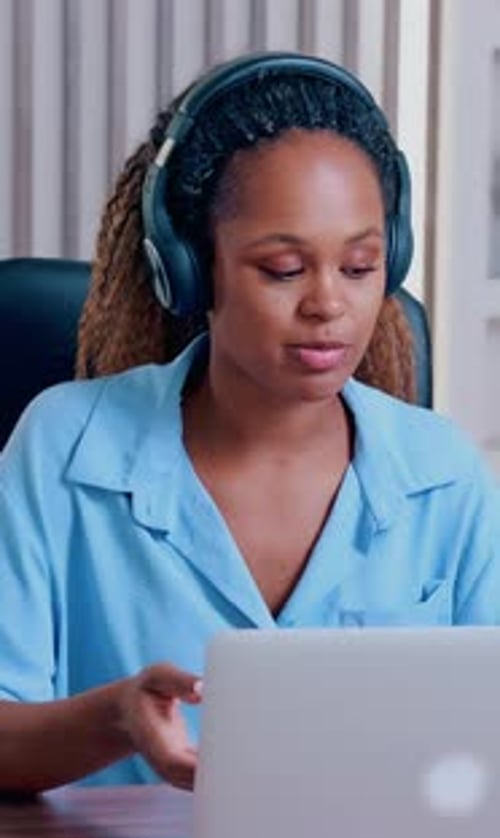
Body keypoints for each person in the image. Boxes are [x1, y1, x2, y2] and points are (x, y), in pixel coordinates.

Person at [0, 51, 499, 794]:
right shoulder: (64, 446)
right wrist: (114, 718)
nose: (328, 304)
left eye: (360, 268)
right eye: (284, 270)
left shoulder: (445, 475)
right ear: (190, 269)